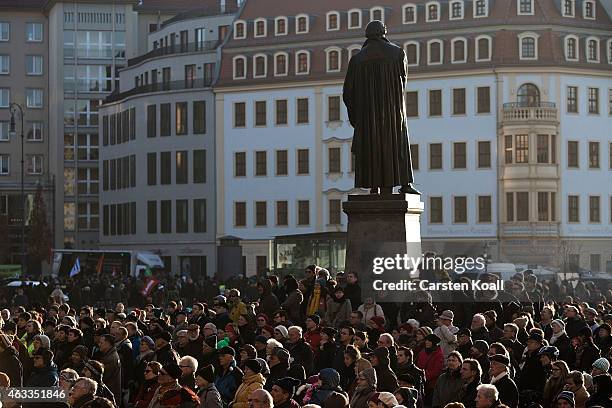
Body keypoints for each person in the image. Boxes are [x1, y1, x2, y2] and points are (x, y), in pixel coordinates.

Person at [342, 19, 417, 194]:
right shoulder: (398, 54)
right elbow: (403, 83)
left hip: (367, 118)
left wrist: (357, 118)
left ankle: (373, 186)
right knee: (396, 145)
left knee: (371, 146)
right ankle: (404, 183)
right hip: (393, 114)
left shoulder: (357, 60)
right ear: (384, 33)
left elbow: (348, 93)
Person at [417, 333, 445, 404]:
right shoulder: (422, 353)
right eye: (426, 340)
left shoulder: (439, 355)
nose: (427, 342)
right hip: (421, 383)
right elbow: (418, 366)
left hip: (432, 385)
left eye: (429, 341)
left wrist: (424, 376)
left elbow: (437, 371)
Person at [98, 333, 122, 402]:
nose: (99, 344)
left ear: (108, 344)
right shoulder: (109, 355)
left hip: (109, 393)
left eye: (101, 343)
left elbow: (104, 377)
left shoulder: (111, 358)